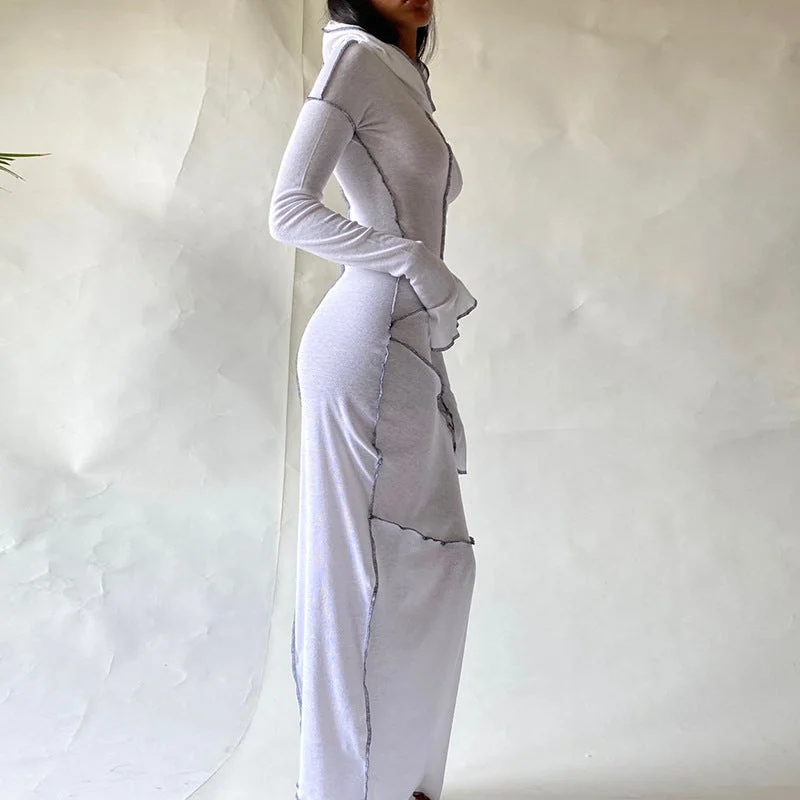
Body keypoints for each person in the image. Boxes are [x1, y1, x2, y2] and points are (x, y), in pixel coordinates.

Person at [269, 1, 478, 798]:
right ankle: (353, 786)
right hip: (366, 347)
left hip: (403, 346)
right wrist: (412, 262)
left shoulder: (401, 75)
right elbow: (289, 209)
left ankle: (398, 777)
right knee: (375, 570)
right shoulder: (353, 60)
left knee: (429, 566)